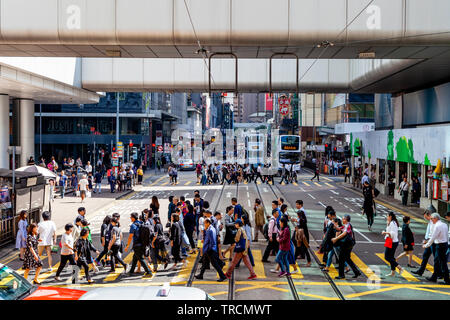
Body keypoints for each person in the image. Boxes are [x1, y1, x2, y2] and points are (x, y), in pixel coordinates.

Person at [422, 213, 450, 284]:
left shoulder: (437, 226)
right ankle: (434, 277)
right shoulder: (445, 225)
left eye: (432, 219)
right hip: (444, 244)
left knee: (442, 263)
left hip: (440, 245)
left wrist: (426, 245)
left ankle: (447, 280)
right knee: (437, 262)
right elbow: (446, 236)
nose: (431, 220)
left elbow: (433, 237)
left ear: (436, 218)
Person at [332, 214, 361, 279]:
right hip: (347, 244)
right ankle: (356, 272)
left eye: (343, 219)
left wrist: (336, 238)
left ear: (346, 219)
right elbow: (339, 229)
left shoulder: (348, 226)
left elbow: (344, 233)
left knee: (341, 259)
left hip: (347, 245)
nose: (342, 220)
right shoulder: (345, 225)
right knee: (347, 258)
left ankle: (341, 275)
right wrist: (333, 224)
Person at [412, 210, 435, 276]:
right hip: (428, 241)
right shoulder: (430, 222)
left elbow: (433, 234)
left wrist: (427, 241)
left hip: (432, 242)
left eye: (425, 217)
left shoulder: (433, 222)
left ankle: (439, 273)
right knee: (425, 256)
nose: (425, 218)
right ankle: (421, 271)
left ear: (429, 215)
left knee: (436, 259)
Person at [381, 212, 403, 277]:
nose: (386, 217)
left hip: (392, 242)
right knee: (391, 257)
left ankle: (400, 268)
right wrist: (387, 225)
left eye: (387, 216)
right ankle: (393, 272)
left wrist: (385, 233)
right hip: (392, 242)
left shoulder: (392, 223)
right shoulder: (391, 223)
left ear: (390, 216)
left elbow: (392, 234)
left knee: (387, 257)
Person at [291, 200, 311, 267]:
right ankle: (294, 260)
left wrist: (298, 228)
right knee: (298, 247)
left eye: (297, 204)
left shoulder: (303, 221)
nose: (296, 205)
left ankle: (309, 261)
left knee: (304, 247)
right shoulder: (302, 220)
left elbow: (302, 227)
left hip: (302, 236)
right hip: (300, 235)